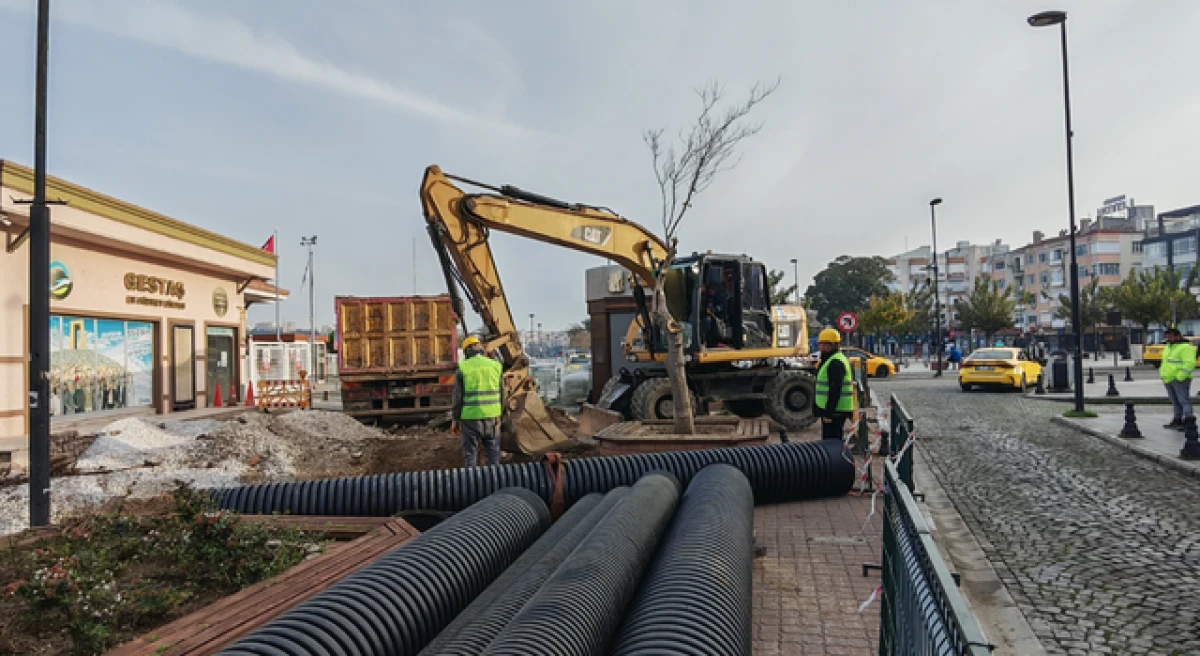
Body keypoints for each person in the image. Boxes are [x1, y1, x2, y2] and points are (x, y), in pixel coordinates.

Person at [451, 336, 505, 467]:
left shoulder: (463, 368)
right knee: (493, 456)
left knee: (470, 456)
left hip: (470, 419)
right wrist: (500, 415)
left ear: (466, 351)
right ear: (480, 347)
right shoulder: (496, 366)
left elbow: (457, 398)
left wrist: (455, 420)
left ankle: (473, 485)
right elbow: (502, 394)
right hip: (491, 418)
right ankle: (496, 483)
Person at [813, 328, 855, 441]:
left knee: (832, 442)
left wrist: (828, 413)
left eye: (821, 344)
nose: (820, 347)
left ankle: (836, 459)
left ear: (829, 345)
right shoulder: (832, 359)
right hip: (836, 409)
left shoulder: (835, 362)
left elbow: (835, 389)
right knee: (832, 441)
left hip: (836, 411)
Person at [1160, 328, 1196, 430]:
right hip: (1168, 378)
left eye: (1170, 336)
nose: (1168, 338)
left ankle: (1189, 420)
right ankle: (1177, 419)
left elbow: (1189, 363)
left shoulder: (1185, 347)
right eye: (1167, 336)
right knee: (1175, 401)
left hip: (1180, 379)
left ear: (1178, 336)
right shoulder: (1169, 346)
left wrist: (1180, 376)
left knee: (1183, 400)